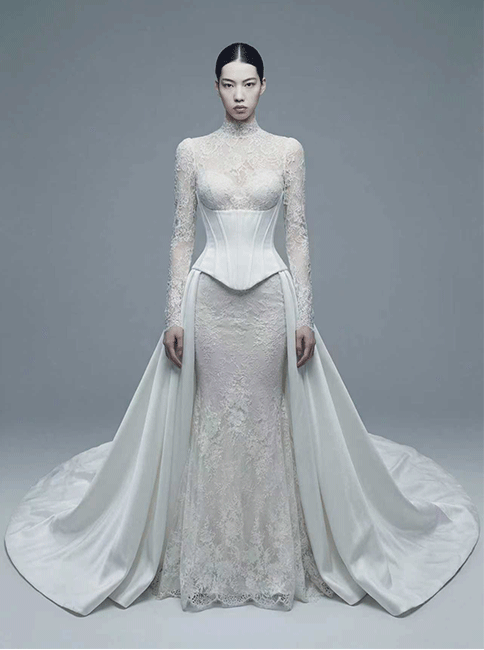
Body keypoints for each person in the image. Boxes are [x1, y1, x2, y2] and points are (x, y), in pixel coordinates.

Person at [4, 43, 480, 617]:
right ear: (215, 87)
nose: (238, 95)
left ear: (263, 86)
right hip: (206, 302)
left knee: (264, 418)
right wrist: (172, 314)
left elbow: (298, 235)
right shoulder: (191, 151)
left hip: (270, 303)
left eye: (248, 83)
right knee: (211, 418)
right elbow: (182, 236)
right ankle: (210, 557)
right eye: (228, 84)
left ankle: (270, 558)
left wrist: (304, 314)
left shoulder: (288, 150)